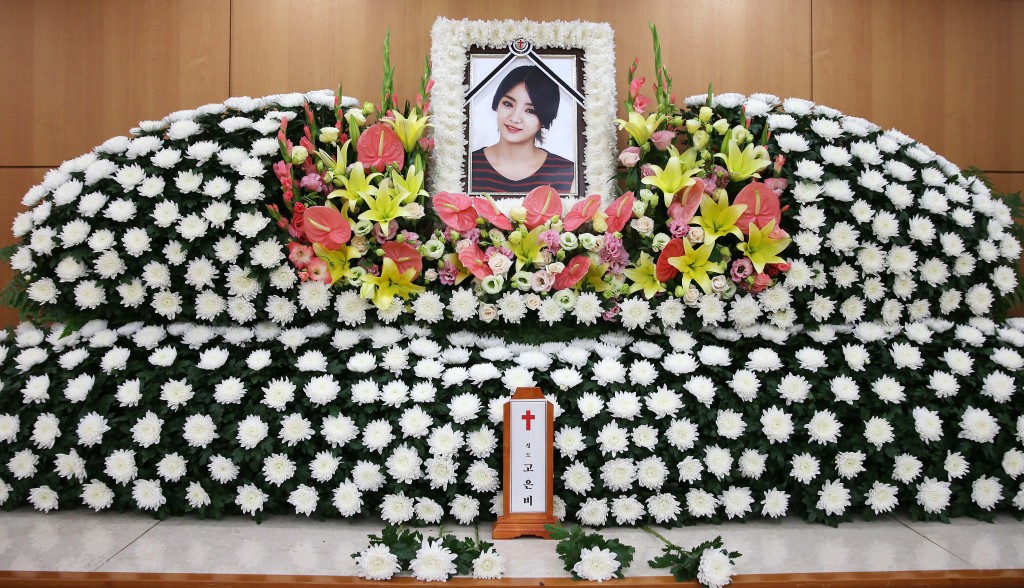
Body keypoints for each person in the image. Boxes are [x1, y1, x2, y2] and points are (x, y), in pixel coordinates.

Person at [470, 65, 575, 194]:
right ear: (497, 104)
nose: (515, 118)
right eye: (508, 104)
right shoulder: (468, 167)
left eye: (530, 111)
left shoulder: (569, 175)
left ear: (544, 117)